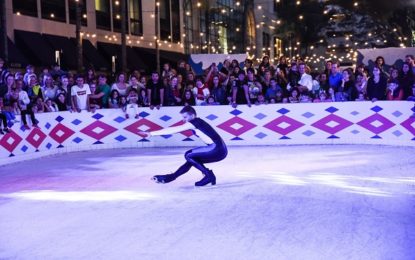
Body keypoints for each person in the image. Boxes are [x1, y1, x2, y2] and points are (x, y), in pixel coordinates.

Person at [140, 106, 228, 186]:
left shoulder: (194, 122)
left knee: (188, 154)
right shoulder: (198, 122)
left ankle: (209, 175)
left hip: (216, 148)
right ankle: (171, 177)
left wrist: (151, 133)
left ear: (192, 115)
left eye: (185, 117)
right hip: (221, 150)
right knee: (192, 160)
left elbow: (173, 130)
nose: (183, 120)